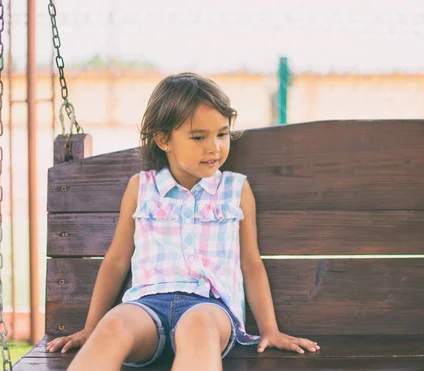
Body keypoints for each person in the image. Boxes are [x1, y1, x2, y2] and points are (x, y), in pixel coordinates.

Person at [46, 72, 320, 370]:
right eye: (199, 137)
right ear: (164, 139)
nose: (214, 147)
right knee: (113, 326)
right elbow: (116, 260)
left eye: (222, 134)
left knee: (199, 327)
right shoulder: (142, 188)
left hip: (210, 306)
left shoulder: (235, 190)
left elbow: (250, 264)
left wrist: (270, 329)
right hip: (146, 303)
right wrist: (92, 326)